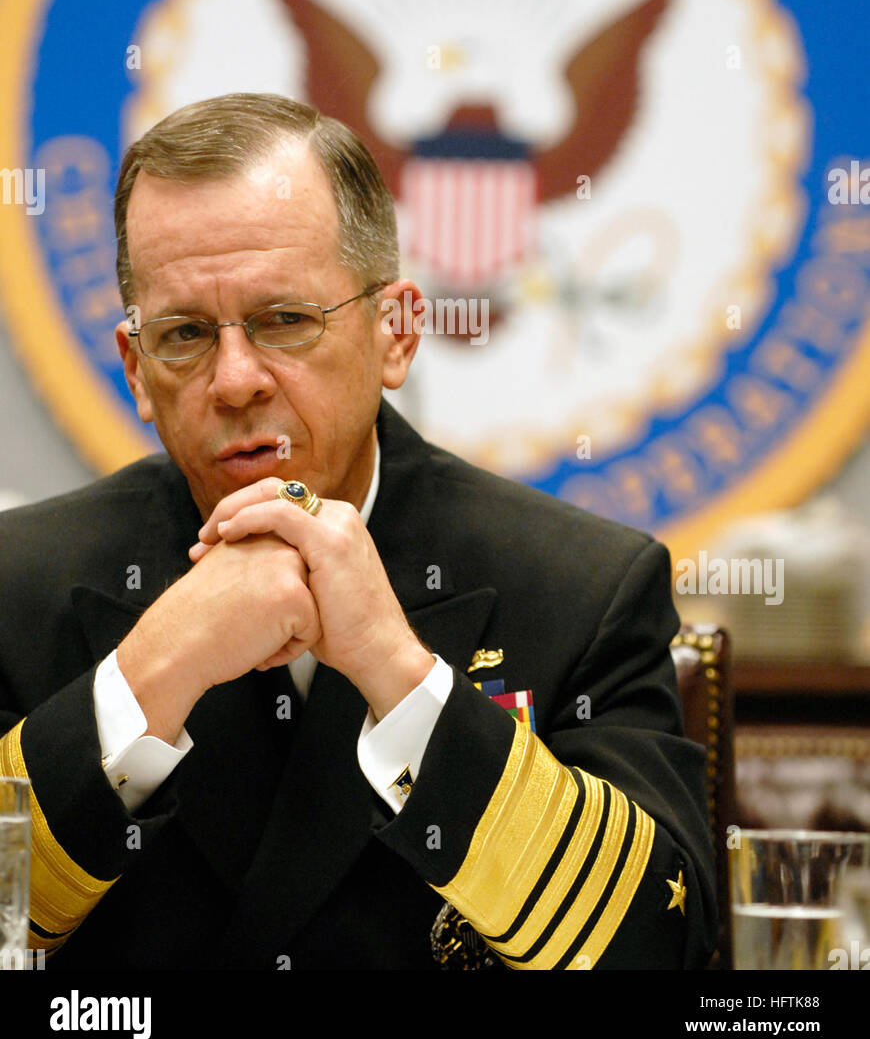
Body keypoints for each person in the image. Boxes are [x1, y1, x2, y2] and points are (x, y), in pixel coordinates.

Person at [0, 93, 717, 970]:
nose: (234, 381)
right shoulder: (17, 585)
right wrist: (152, 673)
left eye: (285, 321)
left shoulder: (581, 589)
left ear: (396, 333)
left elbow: (666, 951)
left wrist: (396, 671)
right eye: (185, 334)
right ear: (136, 370)